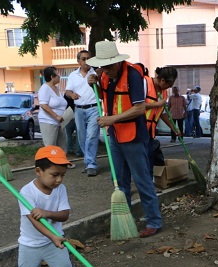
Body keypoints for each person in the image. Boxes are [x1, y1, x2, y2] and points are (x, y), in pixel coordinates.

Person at [6, 145, 96, 267]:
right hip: (30, 243)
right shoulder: (26, 192)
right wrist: (52, 235)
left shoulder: (60, 190)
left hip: (55, 242)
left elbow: (64, 215)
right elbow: (34, 222)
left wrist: (47, 213)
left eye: (62, 175)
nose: (59, 180)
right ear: (39, 171)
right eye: (54, 175)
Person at [86, 41, 163, 238]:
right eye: (103, 66)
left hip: (134, 135)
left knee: (142, 180)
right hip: (115, 135)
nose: (107, 70)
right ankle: (124, 221)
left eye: (109, 66)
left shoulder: (133, 75)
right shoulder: (104, 76)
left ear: (118, 62)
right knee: (120, 182)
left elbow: (139, 108)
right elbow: (106, 99)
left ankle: (154, 221)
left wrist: (111, 119)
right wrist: (93, 84)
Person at [65, 50, 100, 177]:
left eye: (88, 58)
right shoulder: (73, 75)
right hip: (79, 109)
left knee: (91, 136)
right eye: (84, 59)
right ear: (78, 61)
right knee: (82, 137)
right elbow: (67, 91)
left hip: (94, 108)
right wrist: (71, 94)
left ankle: (91, 164)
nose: (86, 61)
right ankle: (88, 161)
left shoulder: (96, 73)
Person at [142, 65, 180, 175]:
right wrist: (157, 104)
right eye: (169, 85)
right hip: (138, 127)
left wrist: (173, 127)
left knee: (149, 157)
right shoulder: (145, 83)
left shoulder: (163, 93)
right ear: (162, 80)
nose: (168, 88)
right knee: (138, 158)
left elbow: (162, 113)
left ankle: (149, 184)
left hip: (150, 131)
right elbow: (136, 105)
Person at [38, 67, 68, 152]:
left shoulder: (57, 88)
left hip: (61, 122)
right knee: (51, 147)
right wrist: (56, 116)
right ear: (52, 77)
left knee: (62, 145)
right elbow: (43, 105)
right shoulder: (45, 88)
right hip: (49, 121)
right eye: (57, 75)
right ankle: (51, 164)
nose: (59, 77)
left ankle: (62, 163)